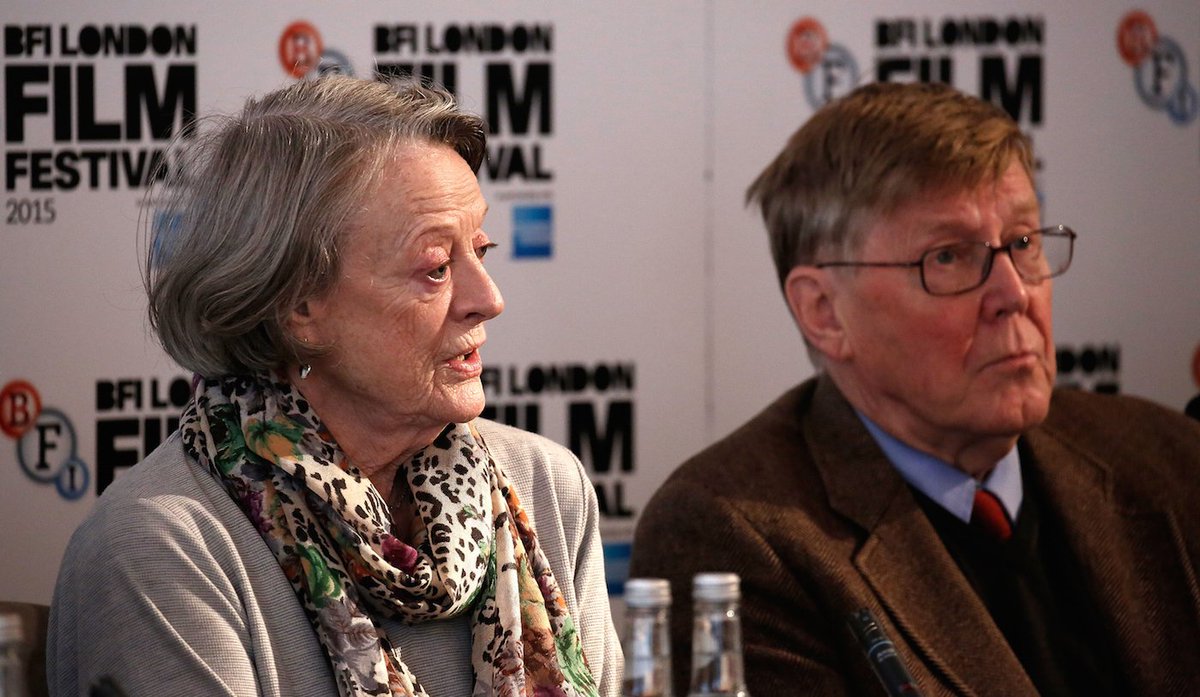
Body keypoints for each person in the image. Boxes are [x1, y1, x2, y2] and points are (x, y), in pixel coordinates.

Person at [48, 76, 620, 697]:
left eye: (482, 249)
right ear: (298, 306)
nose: (489, 299)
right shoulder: (161, 547)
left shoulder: (544, 486)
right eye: (435, 267)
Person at [629, 81, 1200, 697]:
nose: (1014, 294)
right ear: (824, 312)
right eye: (948, 257)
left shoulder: (1168, 456)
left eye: (1024, 243)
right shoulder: (740, 536)